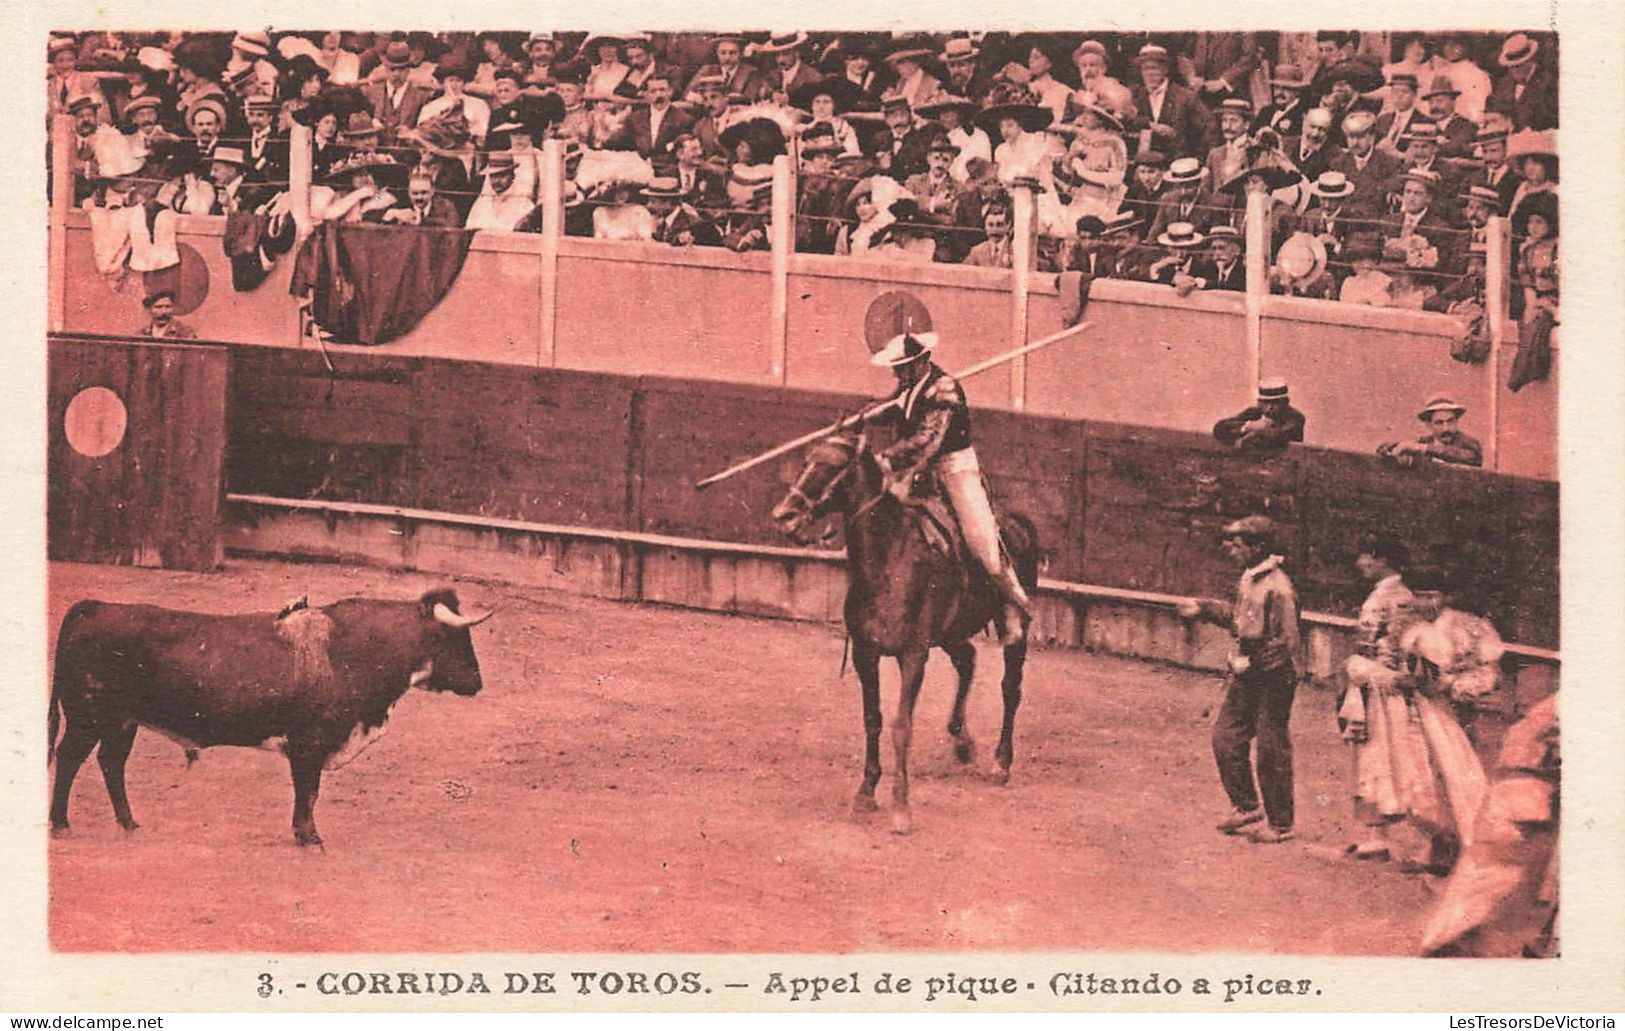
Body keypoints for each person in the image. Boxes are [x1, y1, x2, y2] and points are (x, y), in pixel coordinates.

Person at [863, 327, 1033, 645]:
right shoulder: (911, 386)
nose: (896, 373)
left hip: (954, 469)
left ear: (920, 362)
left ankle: (1012, 604)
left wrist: (889, 456)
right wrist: (867, 414)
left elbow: (929, 438)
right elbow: (893, 407)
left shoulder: (944, 389)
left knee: (981, 537)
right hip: (916, 469)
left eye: (901, 367)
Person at [1175, 516, 1302, 844]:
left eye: (1237, 543)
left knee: (1271, 747)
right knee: (1226, 738)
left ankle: (1281, 824)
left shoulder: (1280, 588)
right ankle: (1246, 806)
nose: (1230, 549)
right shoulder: (1249, 579)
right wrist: (1203, 608)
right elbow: (1238, 621)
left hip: (1274, 674)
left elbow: (1286, 643)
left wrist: (1253, 663)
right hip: (1250, 667)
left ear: (1258, 547)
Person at [1128, 43, 1214, 160]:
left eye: (1154, 68)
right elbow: (1126, 120)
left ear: (1165, 69)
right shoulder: (1135, 96)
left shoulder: (1185, 97)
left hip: (1178, 164)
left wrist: (1196, 160)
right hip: (1146, 169)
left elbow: (1208, 129)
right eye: (1145, 68)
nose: (1150, 73)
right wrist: (1151, 125)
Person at [1377, 395, 1485, 468]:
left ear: (1457, 421)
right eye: (1439, 423)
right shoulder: (1423, 442)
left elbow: (1470, 458)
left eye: (1450, 421)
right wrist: (1394, 449)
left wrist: (1421, 448)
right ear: (1429, 425)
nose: (1446, 428)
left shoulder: (1469, 443)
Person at [1212, 378, 1306, 452]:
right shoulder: (1254, 412)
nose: (1270, 407)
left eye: (1275, 403)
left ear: (1285, 402)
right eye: (1266, 403)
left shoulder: (1295, 417)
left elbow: (1277, 436)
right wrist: (1247, 426)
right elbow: (1220, 427)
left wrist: (1258, 430)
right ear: (1259, 403)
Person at [463, 152, 534, 232]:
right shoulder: (482, 203)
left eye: (502, 175)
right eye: (493, 176)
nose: (497, 181)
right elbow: (469, 231)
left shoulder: (524, 205)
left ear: (512, 176)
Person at [1419, 76, 1478, 159]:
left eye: (1440, 101)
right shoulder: (1426, 124)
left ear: (1453, 102)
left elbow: (1458, 148)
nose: (1434, 106)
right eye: (1431, 102)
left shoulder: (1466, 126)